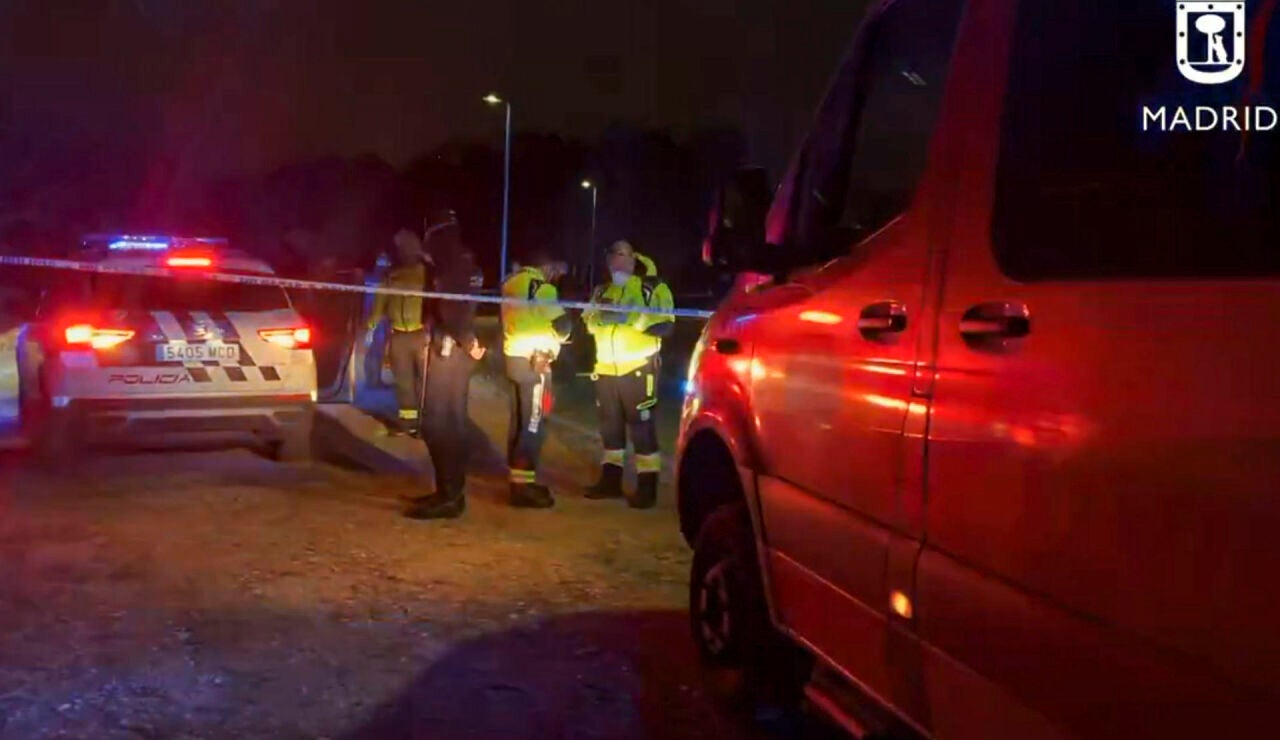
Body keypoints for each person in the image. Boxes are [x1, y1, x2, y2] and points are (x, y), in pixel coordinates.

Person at [582, 240, 675, 509]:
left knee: (642, 428)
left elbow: (666, 326)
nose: (615, 260)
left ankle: (647, 488)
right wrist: (601, 318)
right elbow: (588, 322)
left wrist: (631, 319)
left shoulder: (651, 289)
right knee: (610, 430)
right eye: (611, 254)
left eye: (621, 254)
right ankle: (610, 482)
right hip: (606, 370)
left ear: (634, 259)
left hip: (638, 369)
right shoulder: (601, 291)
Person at [407, 209, 487, 520]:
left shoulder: (451, 262)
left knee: (439, 424)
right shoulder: (461, 259)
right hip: (455, 348)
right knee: (448, 423)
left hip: (447, 349)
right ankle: (448, 492)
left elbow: (453, 308)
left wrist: (464, 340)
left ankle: (450, 496)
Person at [500, 253, 572, 508]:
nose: (556, 277)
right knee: (534, 424)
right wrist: (561, 336)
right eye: (556, 270)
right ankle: (522, 489)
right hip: (536, 363)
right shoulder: (540, 287)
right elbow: (562, 325)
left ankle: (519, 478)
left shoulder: (511, 283)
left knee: (519, 421)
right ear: (546, 265)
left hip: (514, 359)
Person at [366, 228, 431, 435]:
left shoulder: (427, 273)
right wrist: (370, 328)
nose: (400, 252)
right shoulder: (390, 275)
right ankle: (407, 423)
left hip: (421, 335)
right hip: (398, 335)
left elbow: (436, 303)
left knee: (424, 381)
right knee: (403, 381)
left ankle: (425, 424)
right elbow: (379, 304)